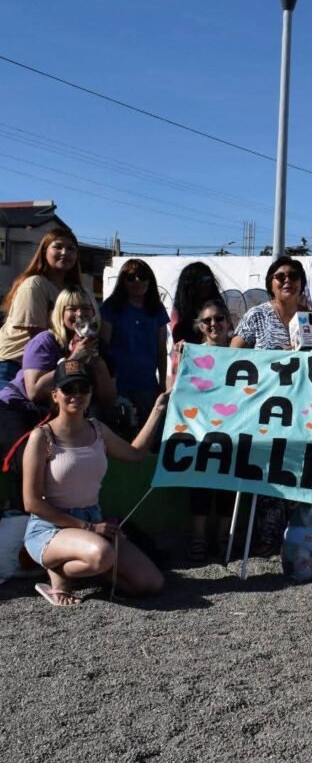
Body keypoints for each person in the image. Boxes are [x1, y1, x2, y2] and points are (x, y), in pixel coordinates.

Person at [23, 359, 167, 606]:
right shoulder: (42, 437)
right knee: (102, 555)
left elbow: (135, 454)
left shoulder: (97, 429)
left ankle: (78, 570)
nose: (77, 395)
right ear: (55, 394)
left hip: (93, 523)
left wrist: (157, 410)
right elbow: (32, 503)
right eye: (69, 389)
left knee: (151, 583)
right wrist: (89, 529)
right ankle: (57, 572)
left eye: (83, 388)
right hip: (51, 528)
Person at [0, 286, 115, 511]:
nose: (80, 314)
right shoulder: (45, 340)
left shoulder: (99, 346)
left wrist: (99, 365)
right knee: (28, 456)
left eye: (86, 308)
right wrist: (74, 359)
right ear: (60, 313)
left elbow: (109, 400)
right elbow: (34, 391)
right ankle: (25, 513)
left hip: (59, 414)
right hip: (18, 406)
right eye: (72, 309)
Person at [231, 256, 309, 555]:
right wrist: (273, 359)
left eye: (293, 275)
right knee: (267, 472)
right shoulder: (256, 316)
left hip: (300, 411)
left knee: (296, 471)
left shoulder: (311, 318)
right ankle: (265, 538)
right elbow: (233, 357)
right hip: (265, 408)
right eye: (280, 276)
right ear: (271, 284)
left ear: (301, 283)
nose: (287, 280)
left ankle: (295, 536)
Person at [187, 299, 235, 562]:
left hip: (233, 429)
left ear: (229, 322)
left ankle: (223, 536)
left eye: (219, 318)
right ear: (200, 327)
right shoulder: (190, 354)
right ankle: (198, 537)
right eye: (208, 320)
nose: (214, 324)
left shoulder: (242, 353)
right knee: (200, 483)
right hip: (200, 428)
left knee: (228, 481)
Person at [0, 229, 81, 381]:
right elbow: (37, 337)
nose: (65, 252)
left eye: (71, 249)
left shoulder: (72, 289)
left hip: (49, 363)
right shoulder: (34, 284)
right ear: (44, 251)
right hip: (13, 365)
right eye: (58, 247)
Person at [100, 259, 170, 426]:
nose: (138, 281)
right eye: (131, 277)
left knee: (150, 435)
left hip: (147, 385)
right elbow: (104, 348)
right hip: (118, 385)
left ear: (150, 280)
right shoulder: (111, 307)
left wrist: (161, 384)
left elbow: (161, 349)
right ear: (122, 281)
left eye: (143, 277)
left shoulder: (157, 309)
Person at [170, 262, 223, 383]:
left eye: (207, 278)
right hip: (187, 372)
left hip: (215, 370)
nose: (204, 283)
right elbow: (179, 343)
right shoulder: (179, 312)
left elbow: (227, 335)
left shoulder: (218, 307)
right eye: (198, 280)